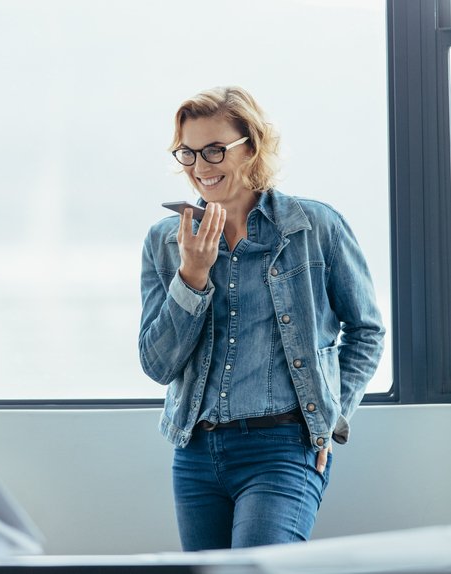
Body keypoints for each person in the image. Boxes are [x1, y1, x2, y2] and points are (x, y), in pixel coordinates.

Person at [138, 86, 385, 551]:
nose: (201, 166)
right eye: (188, 152)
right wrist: (191, 276)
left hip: (283, 450)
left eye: (215, 150)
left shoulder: (315, 226)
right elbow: (157, 365)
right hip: (195, 453)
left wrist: (329, 420)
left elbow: (367, 330)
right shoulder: (165, 242)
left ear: (250, 147)